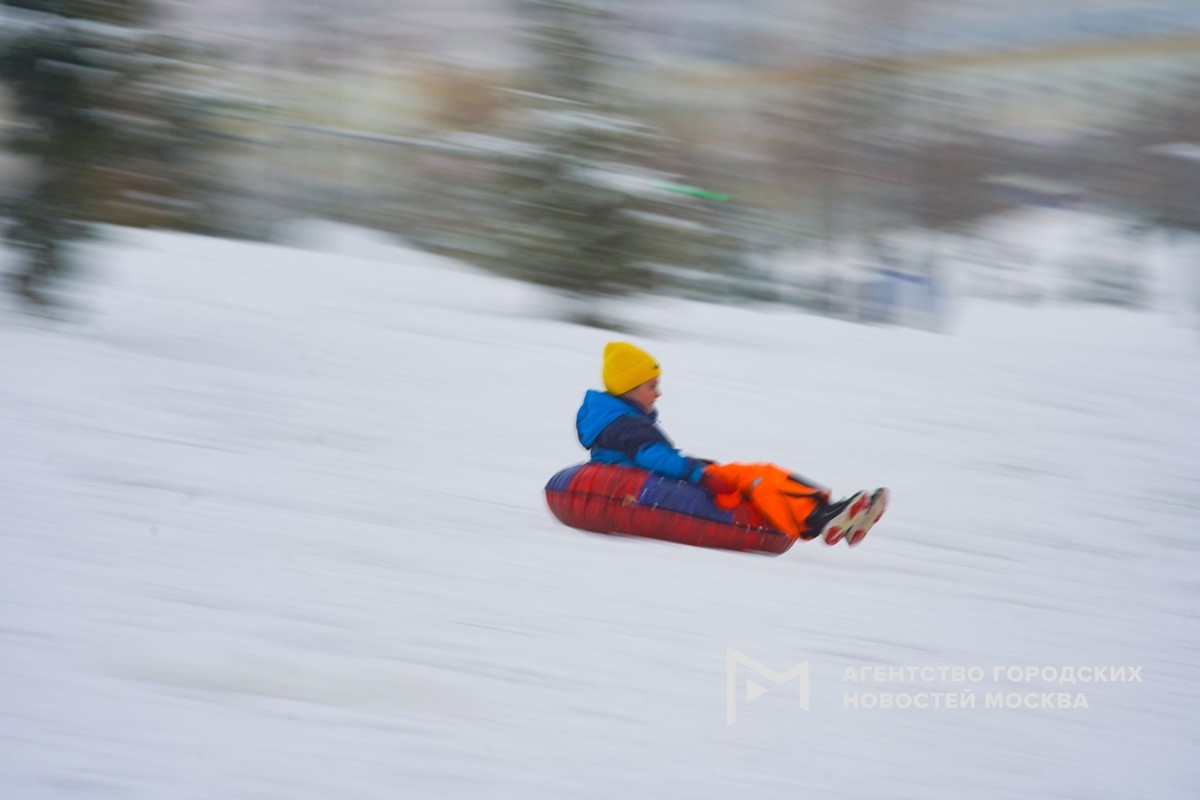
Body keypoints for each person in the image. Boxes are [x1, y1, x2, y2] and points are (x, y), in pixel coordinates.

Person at [575, 341, 888, 546]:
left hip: (655, 477)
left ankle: (834, 516)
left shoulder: (616, 420)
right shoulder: (626, 425)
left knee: (756, 474)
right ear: (629, 388)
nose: (658, 393)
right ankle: (823, 516)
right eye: (651, 386)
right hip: (650, 482)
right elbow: (653, 456)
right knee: (756, 476)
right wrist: (699, 474)